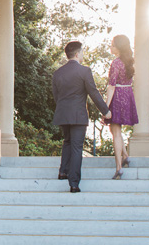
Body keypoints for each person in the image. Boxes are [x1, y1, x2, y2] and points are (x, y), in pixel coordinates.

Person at [52, 40, 111, 193]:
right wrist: (105, 111)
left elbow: (56, 96)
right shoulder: (84, 71)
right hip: (78, 114)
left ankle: (63, 171)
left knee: (67, 142)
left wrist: (64, 108)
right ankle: (74, 183)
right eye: (82, 52)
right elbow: (93, 93)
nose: (83, 55)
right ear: (77, 54)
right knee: (77, 147)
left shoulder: (57, 73)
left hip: (63, 113)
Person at [104, 34, 139, 180]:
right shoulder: (129, 62)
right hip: (127, 95)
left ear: (118, 47)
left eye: (112, 44)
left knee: (116, 132)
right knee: (115, 130)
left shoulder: (116, 63)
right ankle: (125, 156)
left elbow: (111, 86)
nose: (110, 47)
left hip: (117, 96)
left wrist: (105, 107)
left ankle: (118, 167)